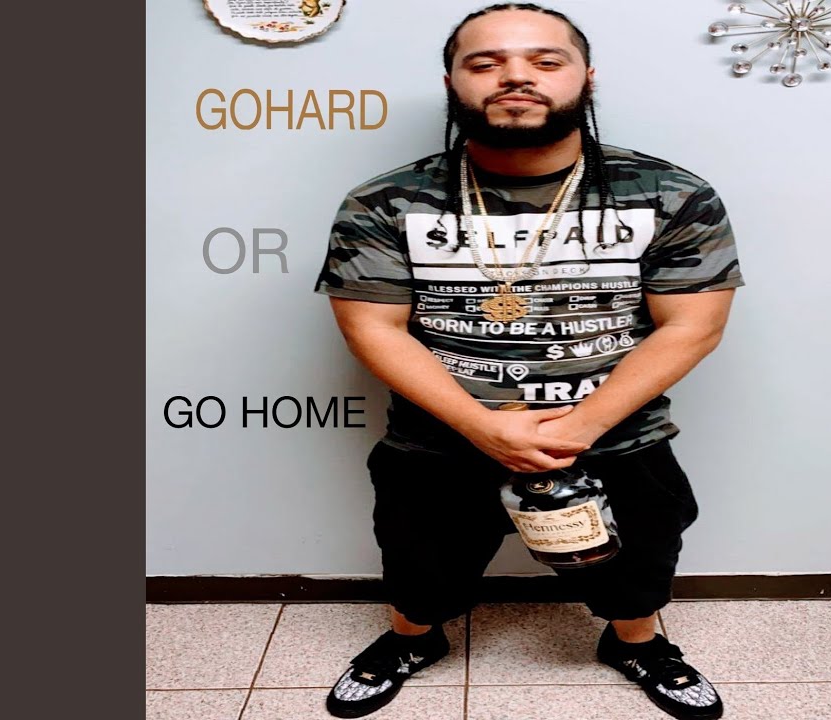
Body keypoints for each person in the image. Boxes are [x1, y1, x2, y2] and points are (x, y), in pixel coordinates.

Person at [312, 4, 743, 718]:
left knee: (640, 564)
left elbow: (692, 327)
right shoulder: (385, 202)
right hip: (440, 437)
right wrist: (482, 426)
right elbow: (372, 328)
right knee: (419, 563)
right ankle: (413, 640)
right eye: (485, 63)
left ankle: (637, 644)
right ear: (451, 83)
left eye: (546, 61)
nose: (516, 76)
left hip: (616, 434)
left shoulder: (670, 194)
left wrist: (581, 426)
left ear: (587, 77)